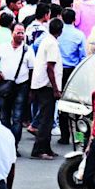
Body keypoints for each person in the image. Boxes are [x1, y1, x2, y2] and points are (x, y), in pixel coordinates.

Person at [0, 23, 35, 154]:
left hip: (21, 86)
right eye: (18, 32)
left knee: (17, 117)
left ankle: (13, 146)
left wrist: (31, 90)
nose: (21, 35)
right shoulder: (3, 47)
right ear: (12, 33)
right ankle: (6, 144)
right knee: (4, 116)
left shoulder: (28, 50)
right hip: (5, 86)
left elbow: (32, 71)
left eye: (22, 33)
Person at [30, 18, 64, 159]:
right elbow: (50, 67)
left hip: (43, 84)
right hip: (46, 86)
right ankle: (39, 149)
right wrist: (56, 88)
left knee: (48, 118)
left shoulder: (48, 40)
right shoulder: (52, 44)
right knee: (46, 119)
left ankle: (47, 148)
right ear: (60, 31)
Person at [57, 9, 87, 144]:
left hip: (60, 72)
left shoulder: (58, 33)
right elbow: (83, 57)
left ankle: (64, 137)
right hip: (74, 73)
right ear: (75, 19)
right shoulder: (79, 35)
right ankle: (79, 138)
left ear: (62, 18)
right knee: (77, 108)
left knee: (62, 106)